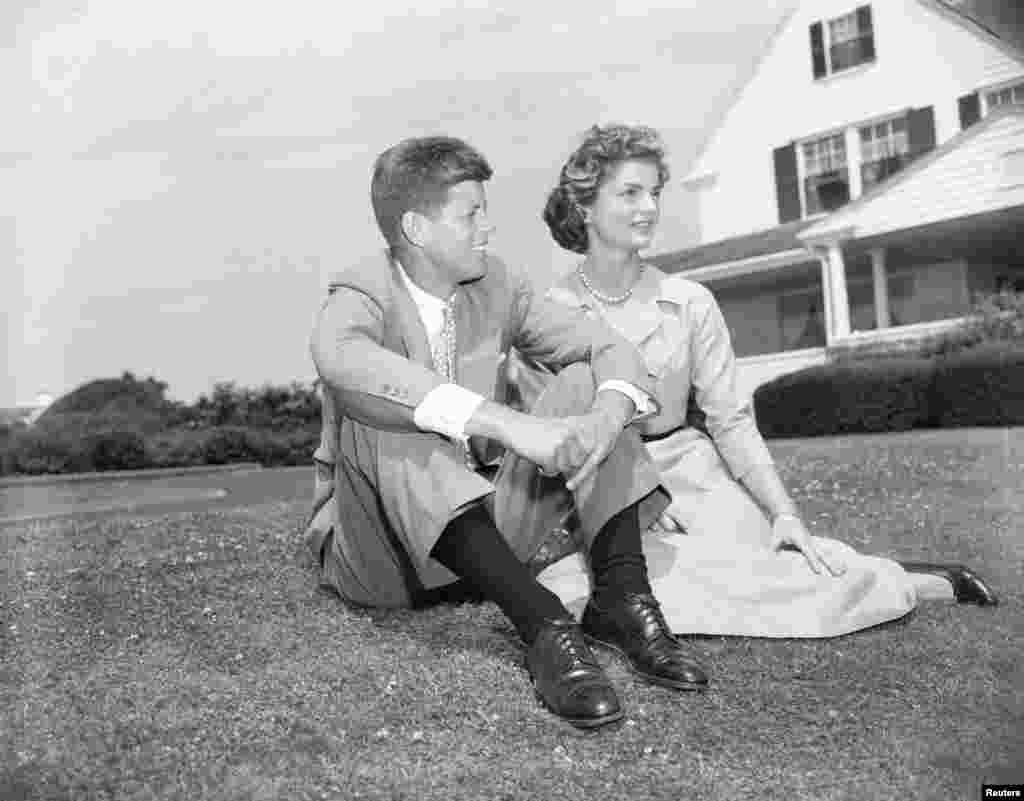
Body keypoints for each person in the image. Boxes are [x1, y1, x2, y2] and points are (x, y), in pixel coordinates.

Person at [525, 123, 997, 637]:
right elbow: (555, 425)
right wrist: (631, 490)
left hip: (691, 474)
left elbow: (730, 420)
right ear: (586, 207)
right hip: (599, 482)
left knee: (760, 571)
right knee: (593, 592)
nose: (649, 208)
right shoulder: (553, 311)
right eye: (630, 193)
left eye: (655, 193)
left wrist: (784, 512)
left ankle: (900, 578)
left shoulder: (689, 301)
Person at [306, 135, 709, 730]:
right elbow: (340, 359)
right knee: (379, 413)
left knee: (589, 384)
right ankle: (544, 623)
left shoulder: (496, 284)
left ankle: (620, 600)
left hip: (483, 542)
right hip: (384, 558)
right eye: (471, 215)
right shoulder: (362, 291)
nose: (487, 228)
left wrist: (603, 415)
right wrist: (508, 424)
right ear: (417, 227)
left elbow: (606, 346)